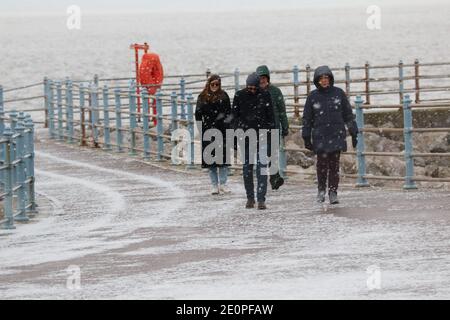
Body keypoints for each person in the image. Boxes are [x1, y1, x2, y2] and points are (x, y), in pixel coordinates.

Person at [302, 66, 358, 204]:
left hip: (336, 134)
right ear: (317, 81)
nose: (324, 81)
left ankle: (333, 192)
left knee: (334, 166)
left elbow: (348, 115)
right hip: (320, 136)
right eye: (321, 79)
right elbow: (307, 119)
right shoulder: (313, 97)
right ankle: (321, 190)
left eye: (326, 78)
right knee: (321, 166)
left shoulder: (339, 93)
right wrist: (306, 136)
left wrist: (353, 131)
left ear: (330, 79)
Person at [232, 73, 276, 210]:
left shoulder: (265, 95)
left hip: (262, 136)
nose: (251, 90)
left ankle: (261, 199)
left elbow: (271, 118)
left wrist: (271, 138)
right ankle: (250, 197)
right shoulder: (239, 96)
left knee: (262, 168)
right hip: (245, 137)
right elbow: (234, 118)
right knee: (247, 168)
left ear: (258, 86)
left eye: (253, 88)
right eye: (249, 88)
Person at [195, 74, 232, 195]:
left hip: (222, 130)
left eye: (217, 84)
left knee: (223, 160)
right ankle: (214, 185)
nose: (215, 86)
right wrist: (201, 130)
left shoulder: (224, 96)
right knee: (210, 161)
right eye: (212, 84)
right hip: (208, 130)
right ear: (208, 84)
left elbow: (229, 113)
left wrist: (229, 127)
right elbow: (198, 115)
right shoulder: (202, 97)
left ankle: (223, 183)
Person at [256, 65, 289, 190]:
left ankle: (274, 178)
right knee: (262, 155)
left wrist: (285, 126)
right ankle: (266, 180)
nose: (262, 80)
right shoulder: (254, 92)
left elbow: (282, 111)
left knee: (273, 155)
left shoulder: (275, 91)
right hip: (259, 130)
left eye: (264, 77)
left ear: (268, 78)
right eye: (260, 78)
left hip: (274, 128)